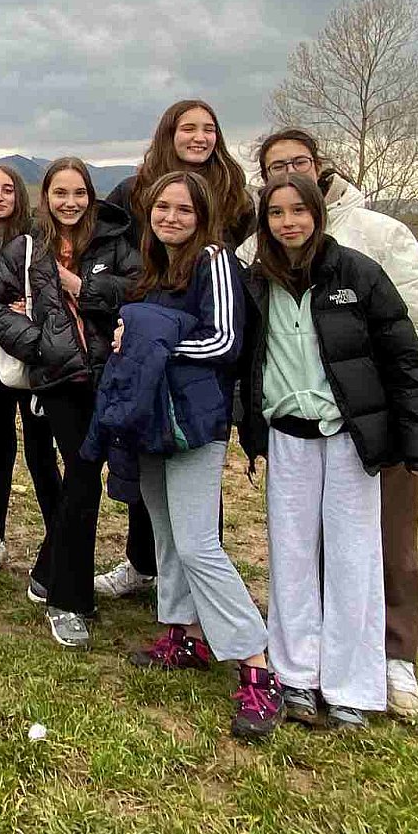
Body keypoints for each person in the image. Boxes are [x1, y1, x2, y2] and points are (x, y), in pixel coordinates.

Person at [239, 128, 418, 719]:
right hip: (288, 433)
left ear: (318, 209)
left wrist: (416, 433)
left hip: (352, 437)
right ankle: (295, 674)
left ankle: (353, 684)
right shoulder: (255, 277)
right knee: (292, 555)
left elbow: (406, 353)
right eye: (276, 212)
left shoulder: (359, 271)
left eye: (299, 210)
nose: (288, 222)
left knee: (356, 555)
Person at [114, 171, 281, 741]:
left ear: (203, 215)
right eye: (163, 207)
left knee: (197, 543)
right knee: (165, 533)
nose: (171, 217)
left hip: (194, 421)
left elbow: (224, 341)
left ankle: (256, 663)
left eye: (184, 209)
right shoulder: (152, 270)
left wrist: (150, 347)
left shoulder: (214, 261)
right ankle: (183, 634)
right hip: (154, 418)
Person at [99, 99, 255, 601]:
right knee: (155, 499)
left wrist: (153, 346)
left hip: (197, 375)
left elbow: (225, 328)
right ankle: (152, 578)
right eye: (188, 127)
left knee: (195, 519)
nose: (199, 136)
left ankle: (209, 602)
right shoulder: (135, 191)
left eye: (209, 128)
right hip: (153, 362)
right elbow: (116, 257)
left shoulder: (233, 203)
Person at [0, 158, 139, 641]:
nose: (70, 203)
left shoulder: (115, 243)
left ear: (91, 196)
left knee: (87, 480)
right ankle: (68, 601)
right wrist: (40, 346)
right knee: (84, 478)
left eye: (78, 193)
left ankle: (48, 570)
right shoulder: (27, 247)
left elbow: (140, 291)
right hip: (59, 381)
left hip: (111, 376)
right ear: (45, 197)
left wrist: (84, 287)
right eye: (60, 193)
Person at [0, 164, 50, 576]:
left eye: (6, 190)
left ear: (19, 195)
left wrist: (31, 309)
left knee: (40, 452)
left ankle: (58, 539)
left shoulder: (39, 239)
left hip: (33, 357)